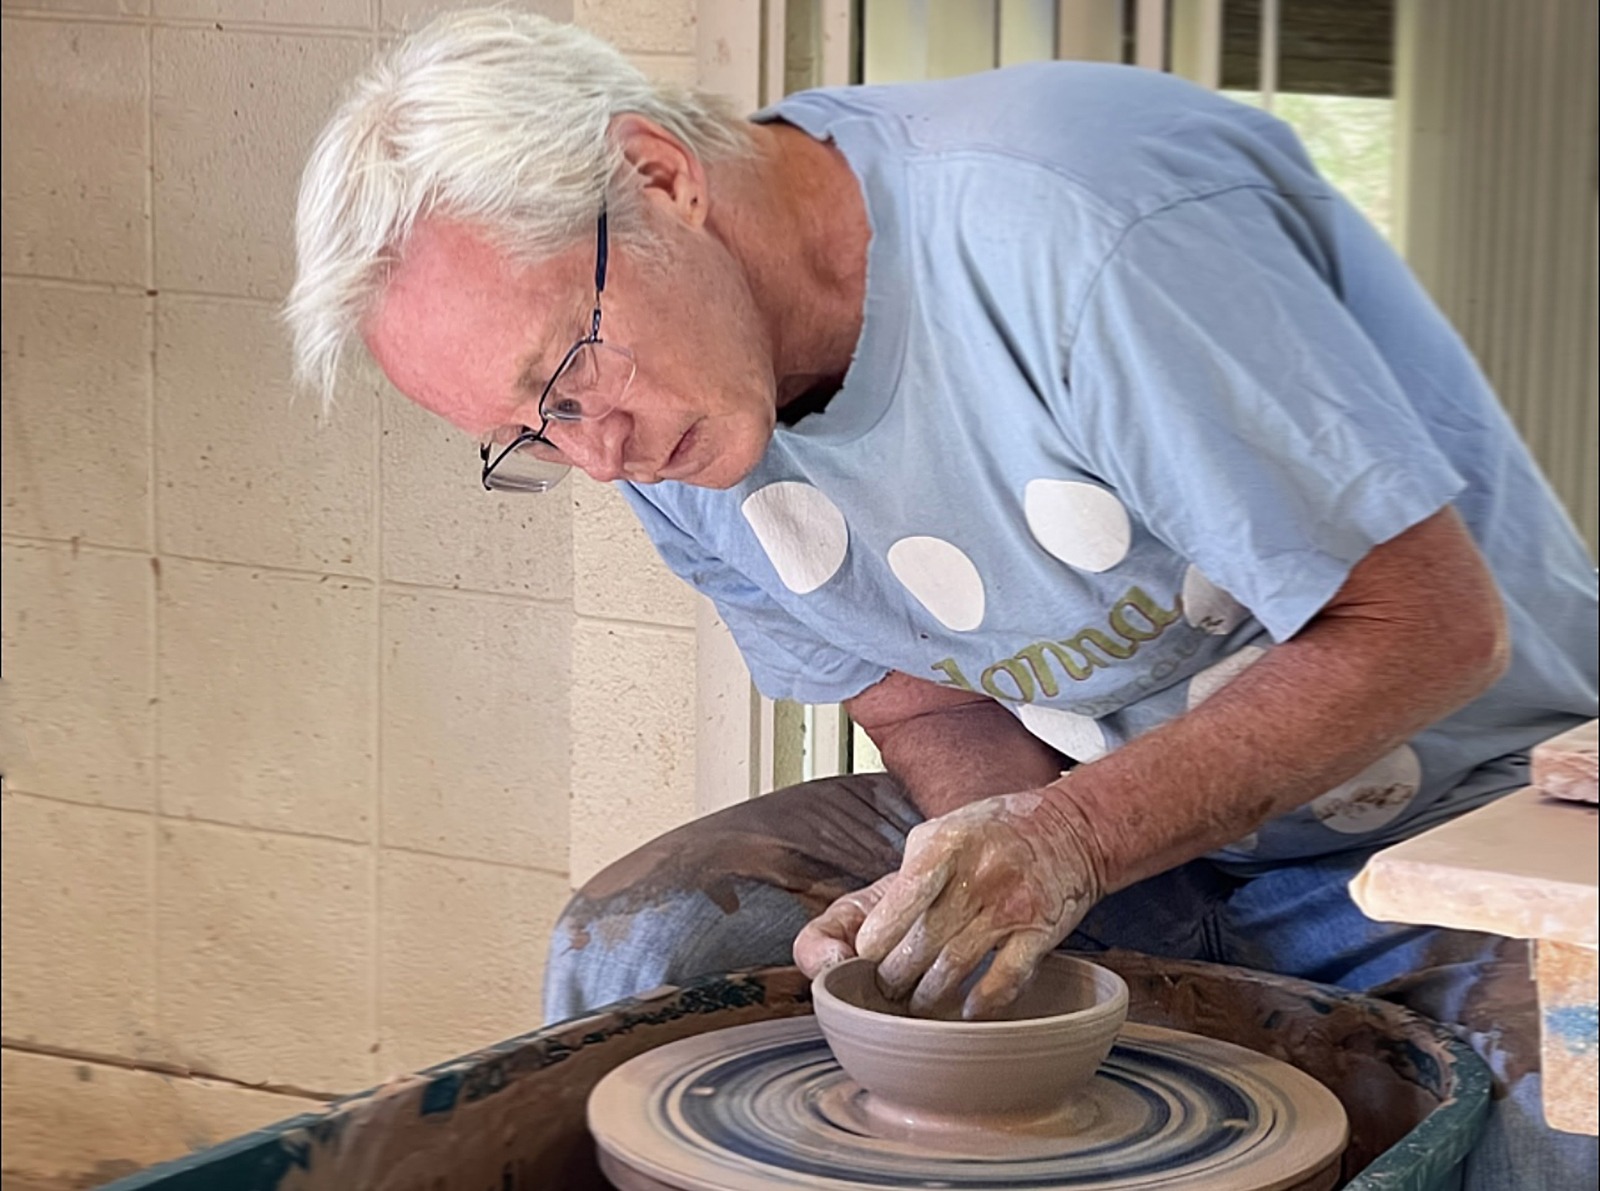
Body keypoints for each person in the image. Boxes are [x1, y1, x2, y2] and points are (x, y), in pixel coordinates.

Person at [288, 10, 1597, 1186]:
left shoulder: (1074, 223)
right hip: (1121, 825)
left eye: (567, 375)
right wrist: (976, 878)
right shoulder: (663, 427)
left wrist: (1065, 844)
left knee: (1572, 1108)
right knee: (647, 951)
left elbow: (1431, 628)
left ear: (659, 178)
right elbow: (916, 693)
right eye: (528, 433)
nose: (592, 454)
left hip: (1459, 816)